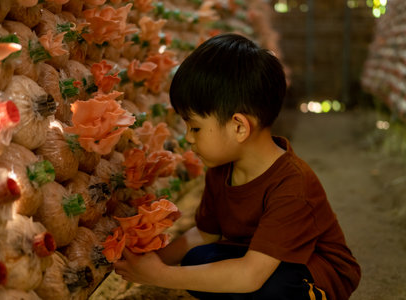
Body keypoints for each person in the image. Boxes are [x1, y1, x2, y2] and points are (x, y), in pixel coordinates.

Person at [114, 33, 361, 300]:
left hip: (312, 273)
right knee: (197, 260)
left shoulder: (292, 185)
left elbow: (251, 275)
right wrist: (154, 260)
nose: (188, 137)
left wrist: (160, 276)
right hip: (259, 260)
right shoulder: (222, 169)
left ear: (239, 127)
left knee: (271, 288)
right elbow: (206, 233)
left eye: (195, 127)